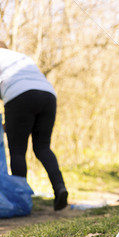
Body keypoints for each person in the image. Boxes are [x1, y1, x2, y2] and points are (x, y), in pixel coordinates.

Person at [0, 41, 68, 211]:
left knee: (17, 151)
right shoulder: (21, 57)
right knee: (43, 147)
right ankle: (60, 187)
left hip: (19, 96)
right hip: (48, 95)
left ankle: (21, 201)